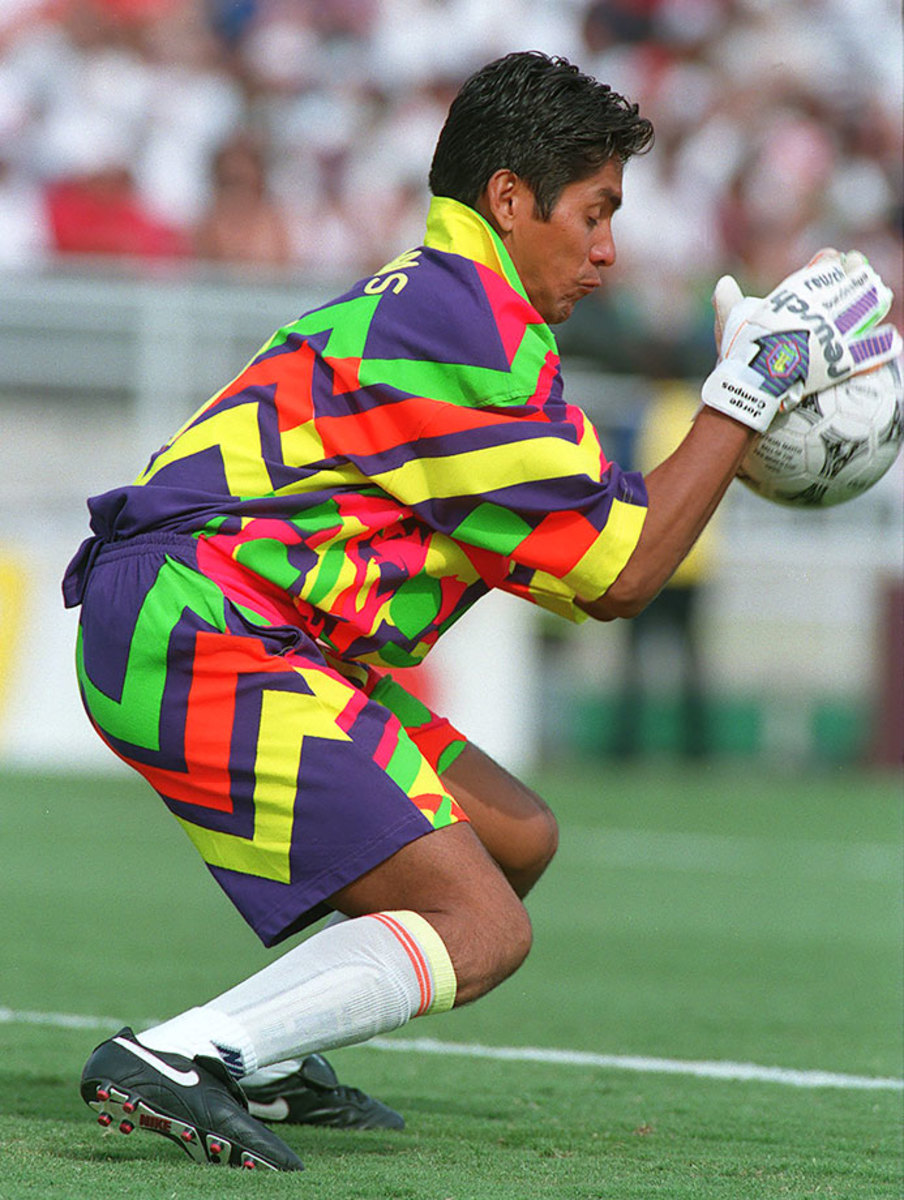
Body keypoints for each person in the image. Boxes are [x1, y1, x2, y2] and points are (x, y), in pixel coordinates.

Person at [62, 51, 900, 1173]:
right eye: (595, 213)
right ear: (508, 199)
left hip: (235, 622)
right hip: (196, 625)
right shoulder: (465, 335)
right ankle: (186, 1055)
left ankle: (256, 1050)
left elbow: (607, 533)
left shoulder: (464, 317)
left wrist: (729, 416)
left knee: (515, 841)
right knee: (486, 930)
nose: (608, 250)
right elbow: (623, 577)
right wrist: (746, 395)